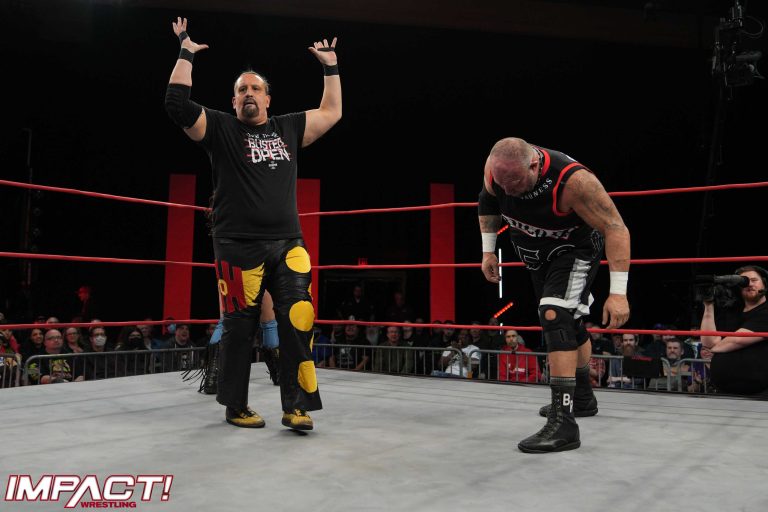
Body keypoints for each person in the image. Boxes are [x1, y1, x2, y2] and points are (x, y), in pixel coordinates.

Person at [164, 17, 341, 430]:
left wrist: (331, 67)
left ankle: (297, 406)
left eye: (255, 89)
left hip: (288, 243)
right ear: (233, 101)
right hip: (237, 244)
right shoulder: (221, 128)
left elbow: (331, 111)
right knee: (239, 328)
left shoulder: (288, 127)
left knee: (299, 318)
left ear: (267, 99)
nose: (248, 93)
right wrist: (186, 52)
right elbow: (176, 105)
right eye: (242, 89)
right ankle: (236, 405)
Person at [478, 137, 630, 453]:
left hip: (575, 250)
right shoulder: (497, 170)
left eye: (515, 182)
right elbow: (488, 201)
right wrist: (488, 251)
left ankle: (564, 422)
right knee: (570, 323)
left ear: (534, 165)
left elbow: (616, 227)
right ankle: (583, 398)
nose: (509, 190)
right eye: (503, 183)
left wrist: (618, 293)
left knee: (553, 315)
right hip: (536, 255)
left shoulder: (574, 182)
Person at [700, 265, 768, 395]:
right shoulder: (731, 310)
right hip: (723, 390)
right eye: (744, 281)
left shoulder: (765, 311)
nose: (749, 284)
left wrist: (712, 348)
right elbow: (708, 341)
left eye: (754, 280)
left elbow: (735, 341)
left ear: (764, 284)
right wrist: (708, 305)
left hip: (758, 392)